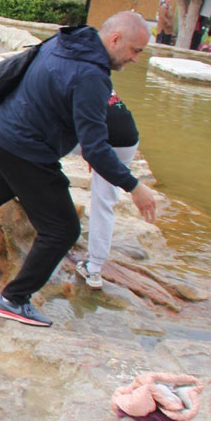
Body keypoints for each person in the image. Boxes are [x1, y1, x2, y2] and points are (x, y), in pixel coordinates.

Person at [0, 12, 157, 327]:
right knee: (63, 230)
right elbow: (98, 148)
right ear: (115, 39)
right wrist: (135, 186)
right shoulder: (92, 76)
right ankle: (14, 299)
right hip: (26, 151)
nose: (136, 58)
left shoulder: (67, 39)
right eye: (136, 50)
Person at [74, 91, 139, 289]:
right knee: (104, 204)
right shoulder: (98, 76)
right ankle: (94, 268)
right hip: (128, 139)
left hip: (100, 138)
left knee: (37, 142)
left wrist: (91, 151)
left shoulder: (71, 73)